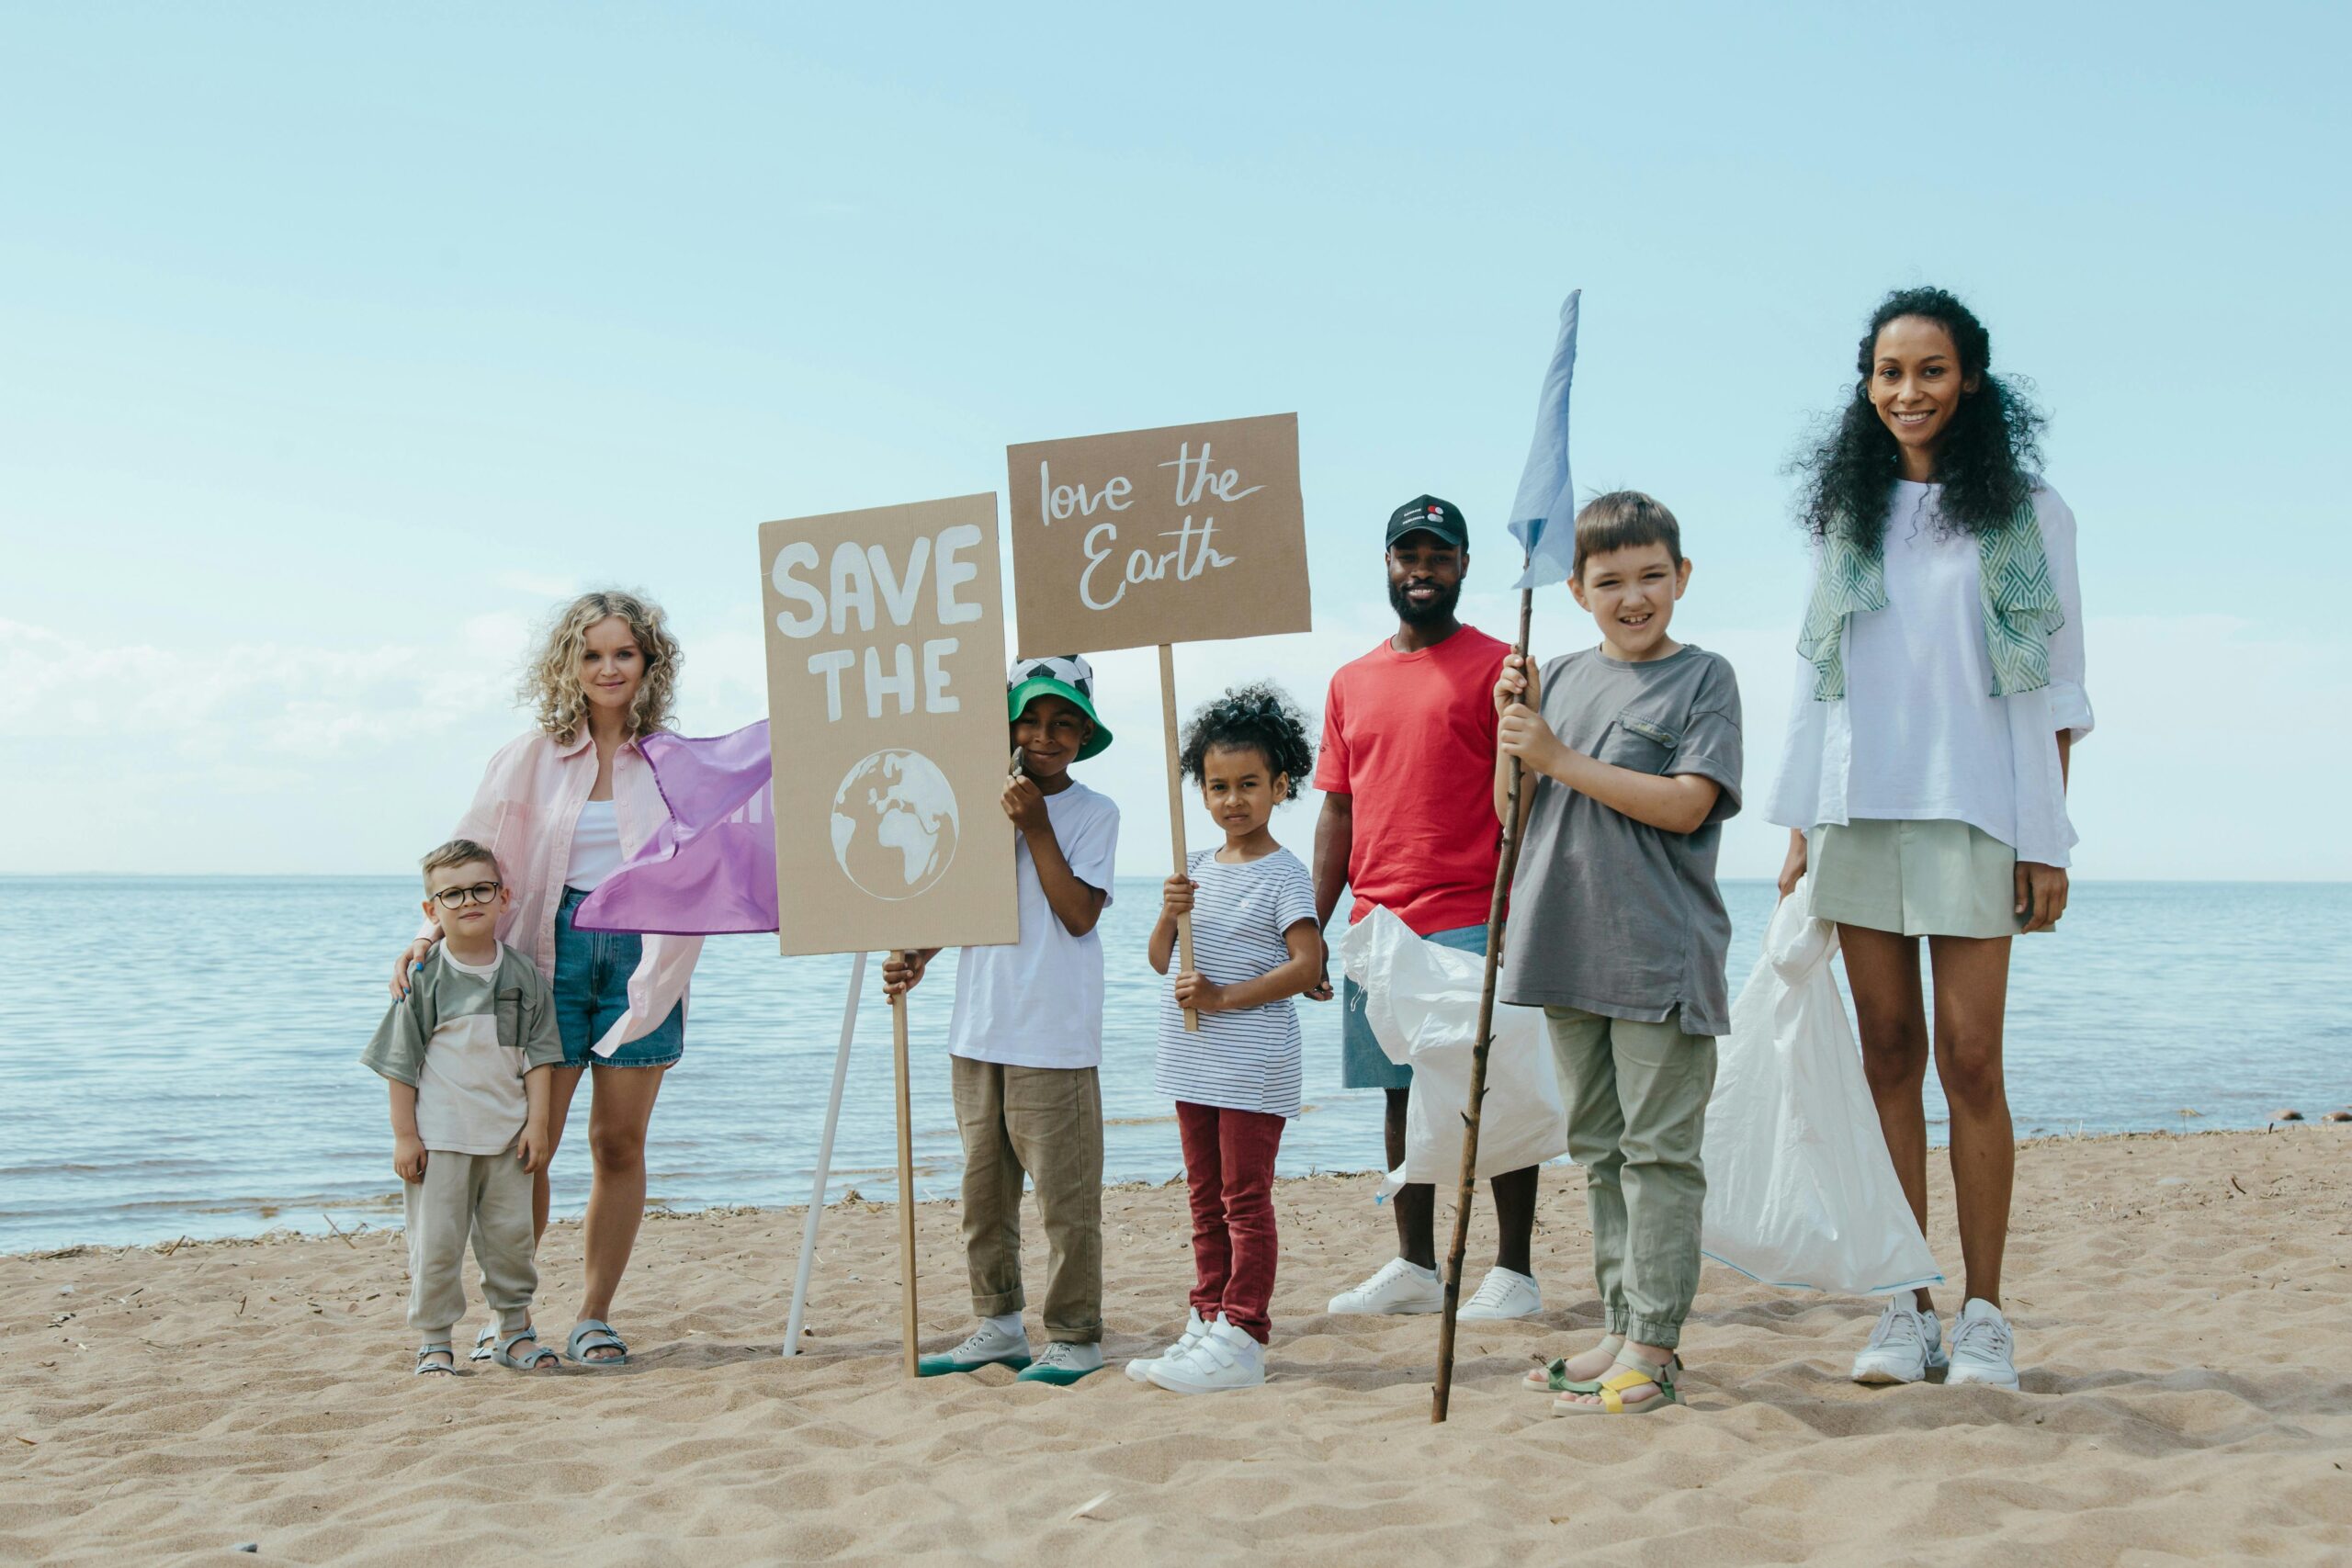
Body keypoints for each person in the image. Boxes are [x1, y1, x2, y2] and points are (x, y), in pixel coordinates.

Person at [1770, 287, 2091, 1393]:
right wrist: (1804, 826)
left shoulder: (2029, 512)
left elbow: (2057, 689)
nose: (1908, 392)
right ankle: (1903, 1311)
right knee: (1886, 1059)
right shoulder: (1846, 516)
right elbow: (1818, 684)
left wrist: (2045, 842)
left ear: (1971, 383)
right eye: (1889, 373)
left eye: (1931, 371)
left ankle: (1986, 1315)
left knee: (1969, 1063)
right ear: (1867, 386)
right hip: (1860, 810)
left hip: (1977, 810)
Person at [389, 590, 704, 1368]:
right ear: (568, 662)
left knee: (619, 1142)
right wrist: (429, 933)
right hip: (546, 957)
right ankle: (512, 1315)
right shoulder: (527, 756)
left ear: (648, 663)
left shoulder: (672, 759)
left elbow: (718, 854)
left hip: (643, 956)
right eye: (592, 653)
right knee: (531, 1143)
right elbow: (472, 852)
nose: (608, 668)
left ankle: (595, 1314)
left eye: (624, 653)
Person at [1495, 491, 1744, 1416]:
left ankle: (1657, 1343)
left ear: (1681, 578)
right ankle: (1617, 1324)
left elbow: (1685, 804)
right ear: (1575, 588)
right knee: (1598, 1149)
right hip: (1562, 941)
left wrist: (1555, 755)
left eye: (1650, 577)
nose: (1632, 598)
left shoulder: (1703, 678)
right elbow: (1511, 818)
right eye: (1609, 582)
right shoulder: (1553, 675)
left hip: (1658, 951)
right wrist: (1510, 732)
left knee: (1658, 1154)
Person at [1314, 494, 1544, 1319]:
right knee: (1400, 1095)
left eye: (1438, 556)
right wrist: (1312, 924)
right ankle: (1414, 1264)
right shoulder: (1350, 680)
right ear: (1386, 564)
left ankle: (1513, 1270)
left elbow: (1531, 790)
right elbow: (1338, 807)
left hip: (1475, 911)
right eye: (1408, 555)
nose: (1422, 570)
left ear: (1464, 567)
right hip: (1377, 922)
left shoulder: (1499, 666)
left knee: (1495, 1085)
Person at [885, 655, 1121, 1387]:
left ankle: (1077, 1332)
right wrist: (919, 953)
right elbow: (968, 900)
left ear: (1084, 734)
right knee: (983, 1194)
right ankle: (999, 1322)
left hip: (1051, 1029)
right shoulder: (981, 804)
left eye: (1062, 723)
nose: (1044, 736)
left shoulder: (1094, 813)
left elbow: (1077, 914)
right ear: (1008, 726)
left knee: (1064, 1198)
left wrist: (1037, 824)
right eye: (1029, 719)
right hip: (978, 1026)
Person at [1131, 685, 1324, 1394]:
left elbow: (1308, 966)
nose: (1232, 800)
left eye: (1249, 784)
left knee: (1246, 1199)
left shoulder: (1283, 874)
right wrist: (1167, 912)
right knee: (1203, 1198)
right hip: (1194, 1061)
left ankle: (1244, 1330)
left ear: (1281, 785)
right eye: (1218, 786)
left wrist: (1221, 997)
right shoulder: (1199, 870)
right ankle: (1208, 1313)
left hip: (1253, 1065)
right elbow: (1161, 961)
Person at [365, 840, 564, 1376]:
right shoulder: (423, 980)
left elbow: (540, 1058)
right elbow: (399, 1065)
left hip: (506, 1141)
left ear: (504, 897)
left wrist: (538, 1126)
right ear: (432, 910)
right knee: (436, 1247)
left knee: (511, 1244)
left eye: (481, 889)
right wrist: (405, 1137)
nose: (468, 901)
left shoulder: (524, 977)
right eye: (451, 894)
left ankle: (514, 1332)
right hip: (441, 1142)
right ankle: (434, 1341)